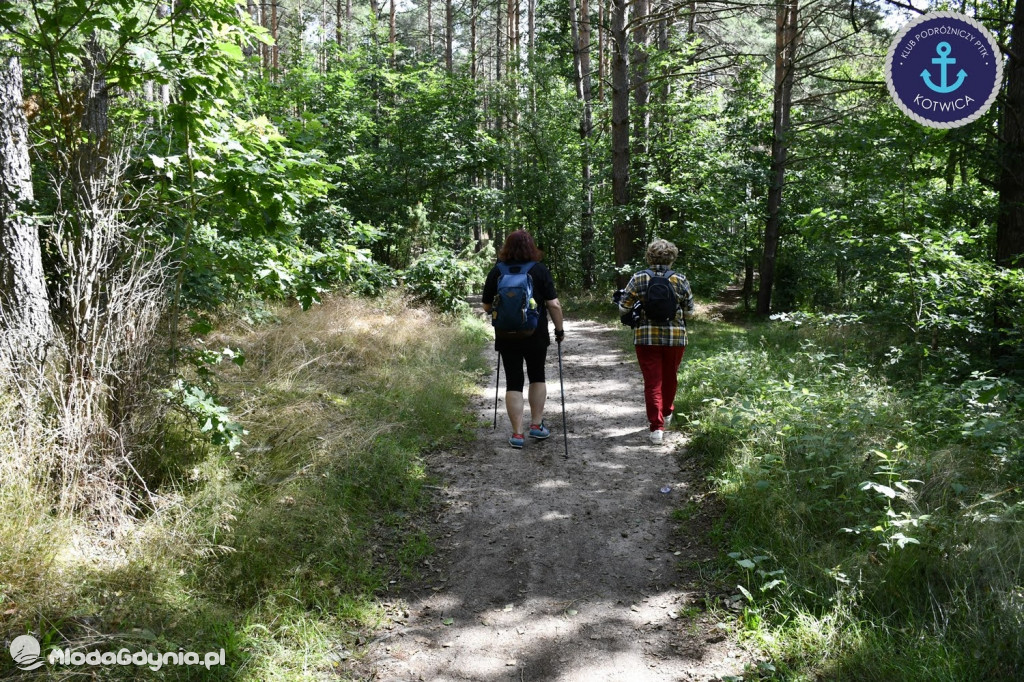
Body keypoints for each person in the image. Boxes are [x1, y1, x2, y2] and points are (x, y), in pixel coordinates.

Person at [482, 230, 565, 449]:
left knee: (513, 381)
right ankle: (536, 426)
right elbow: (554, 304)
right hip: (535, 333)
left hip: (506, 335)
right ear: (532, 247)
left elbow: (487, 306)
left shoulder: (497, 271)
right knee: (537, 375)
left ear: (506, 248)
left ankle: (517, 434)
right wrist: (559, 329)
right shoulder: (539, 270)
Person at [618, 239, 694, 444]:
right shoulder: (680, 279)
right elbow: (689, 310)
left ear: (649, 256)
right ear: (672, 257)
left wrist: (637, 310)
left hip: (646, 337)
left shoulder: (639, 277)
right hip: (676, 337)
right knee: (670, 377)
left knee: (653, 382)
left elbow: (624, 307)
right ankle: (667, 413)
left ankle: (656, 429)